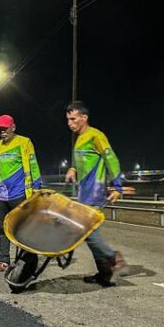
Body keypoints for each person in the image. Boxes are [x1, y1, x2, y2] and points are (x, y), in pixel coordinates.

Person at [64, 101, 127, 286]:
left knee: (89, 232)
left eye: (73, 119)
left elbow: (111, 159)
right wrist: (73, 168)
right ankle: (104, 274)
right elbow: (81, 160)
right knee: (90, 235)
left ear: (84, 117)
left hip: (96, 192)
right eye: (68, 119)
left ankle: (114, 258)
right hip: (84, 193)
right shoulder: (79, 138)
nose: (69, 122)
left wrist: (117, 187)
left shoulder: (96, 136)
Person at [0, 114, 43, 272]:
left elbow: (33, 166)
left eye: (5, 127)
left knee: (22, 229)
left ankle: (25, 262)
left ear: (13, 127)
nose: (2, 131)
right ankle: (4, 261)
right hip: (0, 196)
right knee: (2, 227)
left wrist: (37, 189)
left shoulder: (24, 142)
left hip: (19, 195)